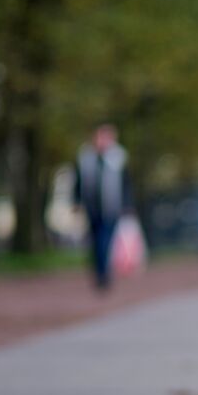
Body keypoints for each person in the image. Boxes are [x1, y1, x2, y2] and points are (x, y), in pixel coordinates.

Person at [73, 122, 132, 291]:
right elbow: (78, 182)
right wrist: (77, 201)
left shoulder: (118, 158)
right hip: (92, 208)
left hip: (111, 207)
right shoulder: (86, 158)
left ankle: (103, 274)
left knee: (105, 240)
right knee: (96, 241)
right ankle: (100, 272)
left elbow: (126, 183)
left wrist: (127, 204)